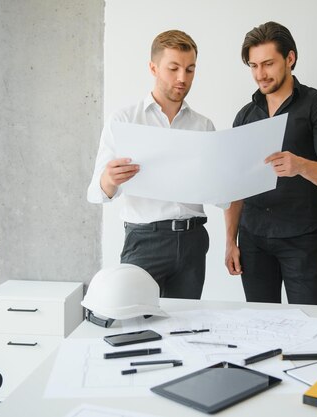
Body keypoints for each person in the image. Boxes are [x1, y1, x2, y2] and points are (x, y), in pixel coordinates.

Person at [224, 21, 317, 305]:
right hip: (253, 240)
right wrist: (231, 241)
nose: (260, 74)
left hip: (301, 241)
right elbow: (234, 186)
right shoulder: (245, 116)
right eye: (254, 66)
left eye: (267, 64)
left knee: (310, 326)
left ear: (290, 58)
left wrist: (301, 166)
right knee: (260, 326)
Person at [87, 30, 214, 300]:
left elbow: (217, 188)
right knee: (136, 321)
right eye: (173, 68)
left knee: (185, 327)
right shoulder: (124, 120)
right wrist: (109, 178)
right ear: (153, 67)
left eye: (190, 69)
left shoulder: (204, 126)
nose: (183, 78)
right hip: (145, 241)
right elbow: (96, 191)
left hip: (193, 241)